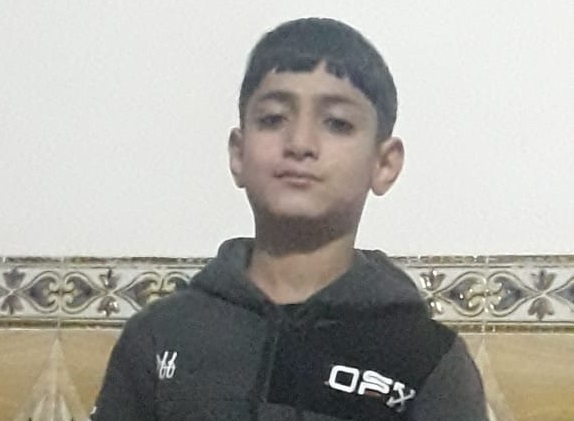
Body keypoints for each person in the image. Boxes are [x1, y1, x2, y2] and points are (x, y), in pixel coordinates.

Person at [91, 17, 487, 421]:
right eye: (273, 119)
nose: (299, 143)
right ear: (238, 154)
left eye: (337, 124)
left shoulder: (427, 359)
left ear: (384, 164)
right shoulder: (160, 335)